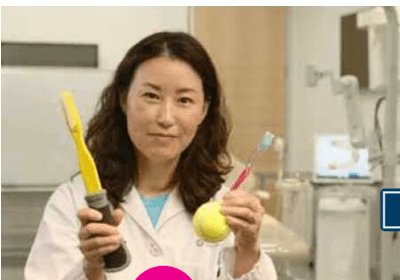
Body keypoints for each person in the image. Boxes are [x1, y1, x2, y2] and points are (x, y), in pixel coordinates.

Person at [25, 31, 277, 280]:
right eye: (152, 96)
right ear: (124, 99)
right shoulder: (73, 202)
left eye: (185, 100)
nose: (165, 118)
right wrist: (93, 268)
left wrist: (248, 250)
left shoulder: (224, 207)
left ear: (204, 110)